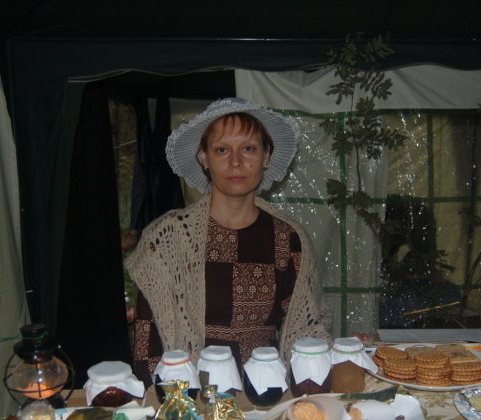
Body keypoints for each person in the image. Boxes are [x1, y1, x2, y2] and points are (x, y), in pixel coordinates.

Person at [125, 97, 331, 385]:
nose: (236, 162)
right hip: (189, 397)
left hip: (267, 396)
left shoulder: (288, 239)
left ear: (266, 155)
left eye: (248, 148)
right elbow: (147, 346)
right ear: (204, 158)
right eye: (222, 150)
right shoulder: (167, 240)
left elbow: (306, 332)